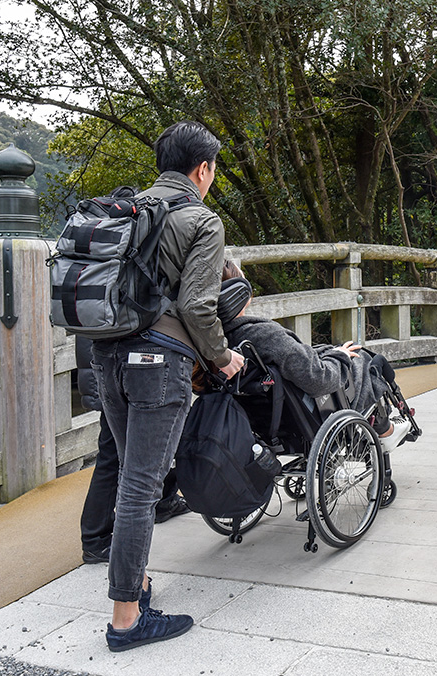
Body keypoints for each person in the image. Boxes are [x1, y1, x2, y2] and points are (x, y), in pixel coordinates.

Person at [91, 121, 244, 652]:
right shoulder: (200, 219)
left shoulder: (128, 210)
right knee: (142, 487)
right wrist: (222, 358)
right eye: (214, 169)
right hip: (158, 361)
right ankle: (127, 619)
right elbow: (199, 305)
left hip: (104, 355)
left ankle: (139, 585)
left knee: (133, 475)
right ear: (202, 169)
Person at [200, 260, 410, 447]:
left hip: (264, 421)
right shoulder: (262, 335)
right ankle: (385, 431)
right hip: (308, 414)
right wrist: (340, 357)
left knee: (337, 351)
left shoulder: (213, 343)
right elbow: (319, 379)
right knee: (362, 358)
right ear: (236, 293)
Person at [77, 335, 190, 566]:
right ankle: (95, 538)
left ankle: (165, 501)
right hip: (126, 362)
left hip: (104, 358)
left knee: (148, 446)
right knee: (117, 456)